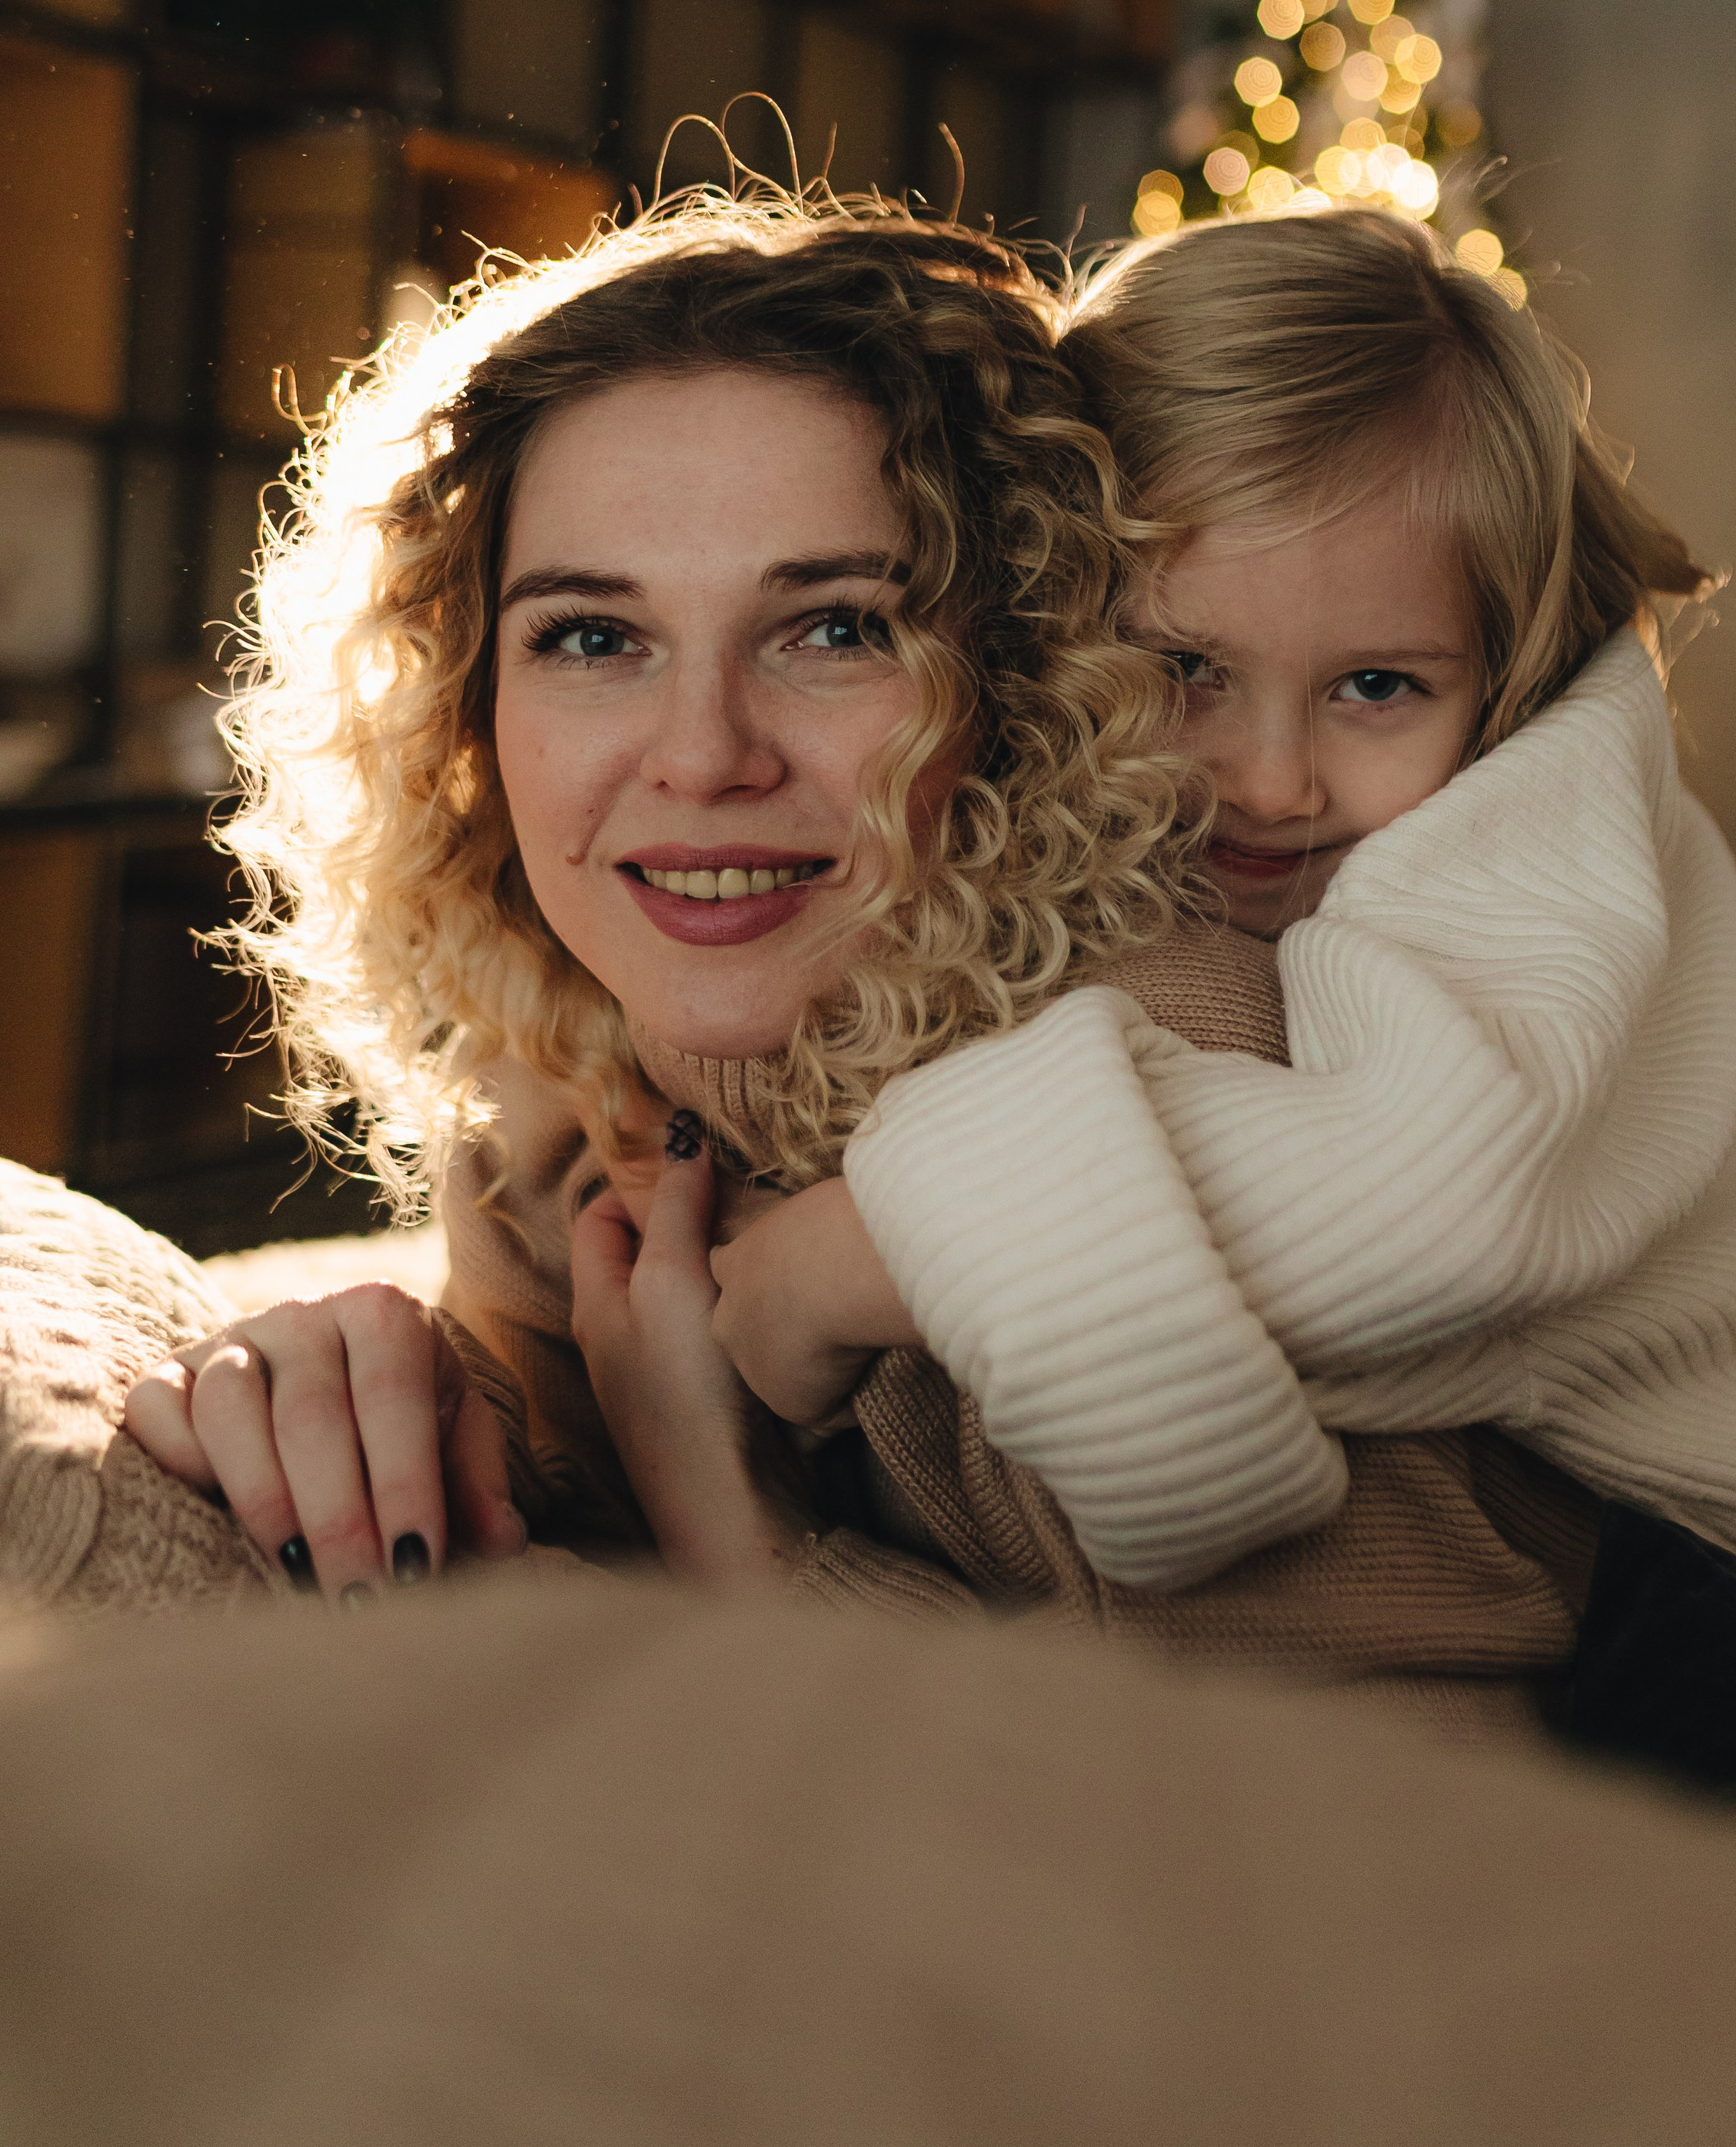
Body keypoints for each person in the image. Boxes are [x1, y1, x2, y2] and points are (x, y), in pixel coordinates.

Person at [118, 188, 1591, 1738]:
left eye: (832, 630)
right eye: (591, 639)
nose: (701, 759)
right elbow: (556, 1441)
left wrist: (748, 1545)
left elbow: (1380, 1850)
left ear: (1019, 675)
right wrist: (384, 1377)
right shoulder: (563, 1083)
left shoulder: (1162, 1084)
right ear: (465, 712)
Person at [710, 208, 1736, 1697]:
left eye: (1374, 685)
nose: (1269, 779)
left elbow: (1435, 1204)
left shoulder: (1532, 824)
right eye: (1182, 671)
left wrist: (843, 1263)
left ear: (1504, 669)